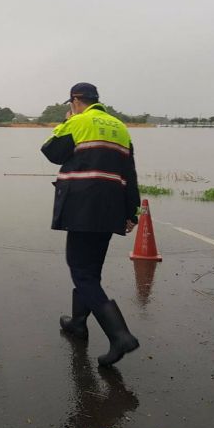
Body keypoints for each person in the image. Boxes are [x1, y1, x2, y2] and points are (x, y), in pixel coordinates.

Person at [41, 83, 141, 366]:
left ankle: (120, 335)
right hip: (110, 209)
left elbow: (51, 152)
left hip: (81, 208)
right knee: (91, 271)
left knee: (81, 272)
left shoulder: (79, 121)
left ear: (75, 100)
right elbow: (130, 173)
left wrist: (67, 121)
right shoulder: (120, 127)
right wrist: (132, 212)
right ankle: (77, 323)